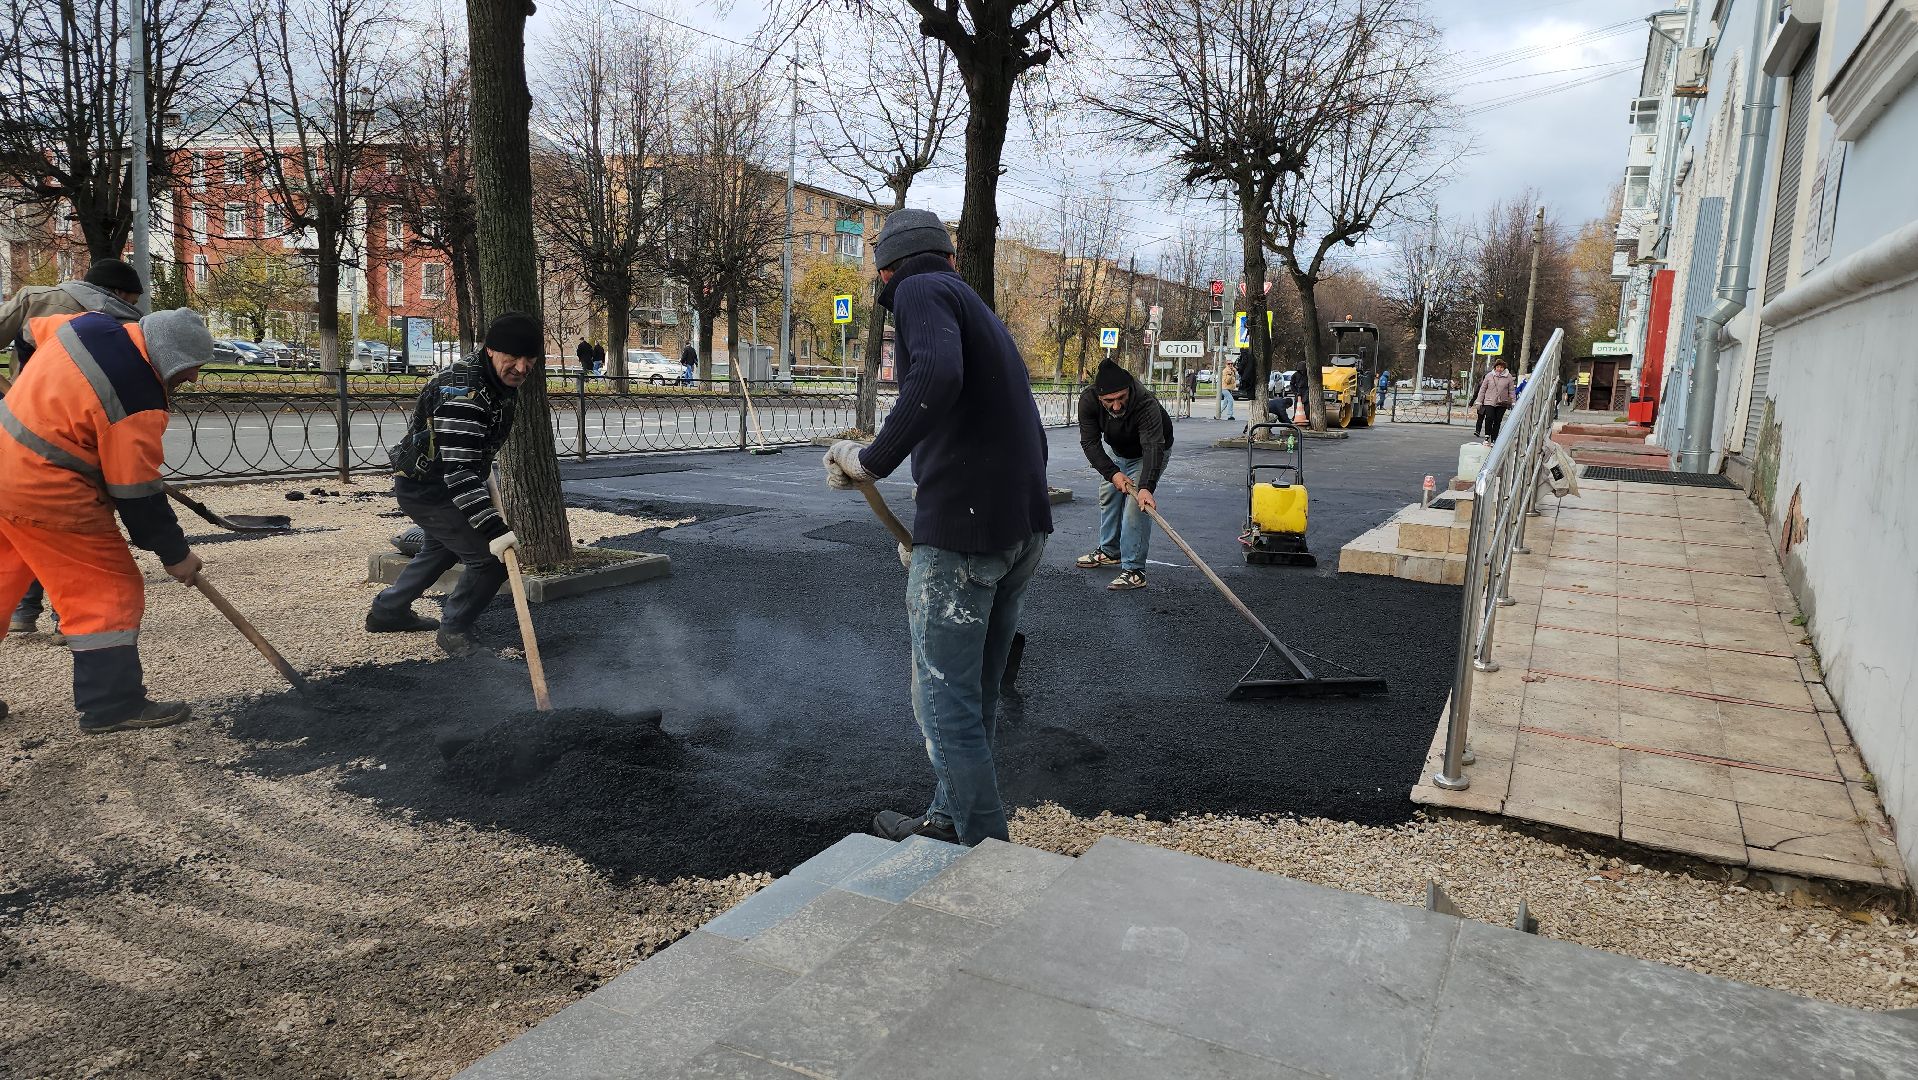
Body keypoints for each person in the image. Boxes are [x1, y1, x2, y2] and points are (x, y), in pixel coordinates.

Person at [821, 209, 1051, 848]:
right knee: (974, 693)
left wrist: (871, 460)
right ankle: (949, 816)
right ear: (952, 257)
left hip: (969, 534)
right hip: (1020, 529)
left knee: (943, 703)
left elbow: (937, 375)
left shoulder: (918, 289)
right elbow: (1023, 430)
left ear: (886, 273)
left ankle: (982, 850)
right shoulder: (976, 309)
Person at [0, 307, 213, 733]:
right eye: (190, 368)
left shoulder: (87, 324)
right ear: (168, 356)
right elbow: (137, 497)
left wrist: (23, 389)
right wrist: (176, 555)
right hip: (47, 489)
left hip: (4, 460)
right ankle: (112, 705)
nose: (192, 378)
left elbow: (29, 332)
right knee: (107, 589)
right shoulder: (136, 400)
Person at [367, 313, 541, 657]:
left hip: (445, 481)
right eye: (513, 357)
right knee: (490, 560)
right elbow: (458, 472)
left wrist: (480, 465)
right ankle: (455, 631)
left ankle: (388, 611)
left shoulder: (494, 378)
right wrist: (494, 529)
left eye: (530, 359)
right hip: (429, 489)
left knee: (441, 549)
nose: (522, 368)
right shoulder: (464, 393)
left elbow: (469, 450)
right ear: (490, 350)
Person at [0, 258, 146, 640]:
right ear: (118, 292)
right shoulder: (119, 325)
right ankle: (68, 619)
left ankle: (24, 611)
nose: (134, 307)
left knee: (25, 525)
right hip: (81, 440)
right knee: (70, 526)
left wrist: (9, 395)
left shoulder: (35, 299)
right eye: (132, 299)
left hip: (18, 430)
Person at [1075, 360, 1172, 591]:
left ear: (1129, 388)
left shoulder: (1145, 402)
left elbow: (1152, 447)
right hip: (1118, 451)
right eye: (1109, 401)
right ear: (1099, 397)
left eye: (1121, 398)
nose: (1116, 406)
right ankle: (1110, 551)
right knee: (1108, 495)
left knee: (1136, 507)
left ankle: (1135, 570)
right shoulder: (1088, 400)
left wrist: (1146, 487)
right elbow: (1090, 443)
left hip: (1149, 452)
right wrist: (1113, 474)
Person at [1475, 357, 1517, 442]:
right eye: (1497, 367)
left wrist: (1513, 401)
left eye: (1501, 367)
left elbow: (1511, 390)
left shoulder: (1508, 377)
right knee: (1489, 417)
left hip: (1502, 402)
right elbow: (1483, 389)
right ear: (1495, 367)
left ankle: (1494, 438)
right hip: (1489, 401)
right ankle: (1487, 435)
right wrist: (1479, 401)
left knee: (1497, 420)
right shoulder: (1489, 376)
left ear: (1504, 368)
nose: (1499, 369)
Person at [1217, 356, 1238, 420]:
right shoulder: (1226, 371)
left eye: (1231, 363)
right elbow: (1227, 381)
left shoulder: (1232, 371)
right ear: (1226, 365)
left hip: (1229, 389)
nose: (1230, 365)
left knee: (1225, 403)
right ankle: (1230, 415)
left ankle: (1217, 414)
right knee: (1231, 400)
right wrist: (1230, 374)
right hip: (1225, 388)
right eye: (1229, 364)